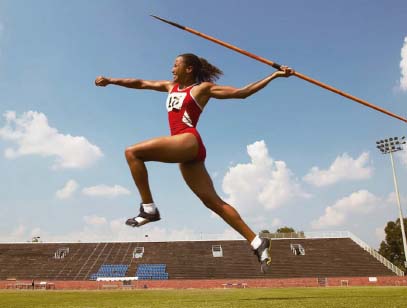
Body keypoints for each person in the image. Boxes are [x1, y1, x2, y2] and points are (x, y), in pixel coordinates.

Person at [95, 53, 294, 272]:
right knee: (212, 202)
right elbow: (140, 83)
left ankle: (149, 209)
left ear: (188, 69)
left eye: (175, 65)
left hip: (189, 140)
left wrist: (274, 76)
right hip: (187, 154)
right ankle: (257, 241)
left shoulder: (201, 89)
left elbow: (242, 93)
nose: (171, 69)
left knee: (132, 152)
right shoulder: (170, 87)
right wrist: (111, 81)